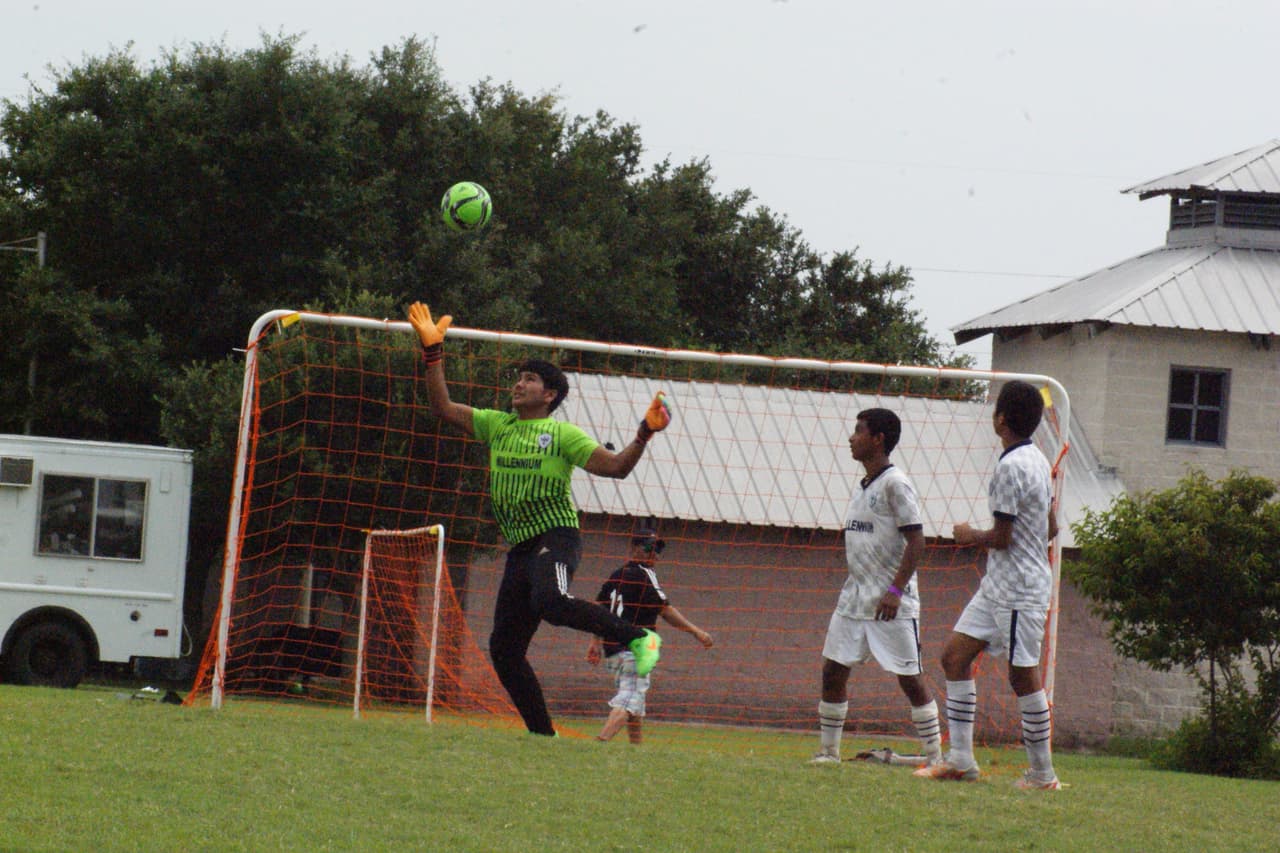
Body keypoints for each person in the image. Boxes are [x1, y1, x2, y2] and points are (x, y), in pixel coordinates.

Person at [407, 302, 671, 736]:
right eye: (519, 377)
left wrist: (643, 432)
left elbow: (617, 467)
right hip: (522, 548)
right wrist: (432, 351)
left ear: (549, 394)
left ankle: (640, 639)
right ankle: (541, 736)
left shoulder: (562, 434)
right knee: (504, 650)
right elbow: (442, 406)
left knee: (551, 602)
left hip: (557, 535)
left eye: (530, 379)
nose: (519, 383)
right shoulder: (497, 425)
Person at [914, 380, 1061, 790]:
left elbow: (1002, 536)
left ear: (1001, 420)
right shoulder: (1038, 460)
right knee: (954, 657)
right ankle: (961, 760)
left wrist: (967, 535)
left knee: (1022, 675)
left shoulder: (1010, 467)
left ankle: (1043, 774)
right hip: (1000, 583)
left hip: (1020, 588)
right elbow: (1050, 526)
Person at [810, 408, 942, 767]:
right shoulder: (863, 486)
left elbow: (917, 542)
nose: (851, 438)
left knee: (910, 677)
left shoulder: (895, 483)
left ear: (878, 439)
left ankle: (935, 758)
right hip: (855, 596)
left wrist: (896, 591)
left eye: (858, 431)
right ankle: (828, 753)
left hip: (891, 602)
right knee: (833, 669)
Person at [586, 524, 714, 744]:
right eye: (649, 548)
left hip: (613, 650)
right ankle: (601, 740)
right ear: (635, 548)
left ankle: (637, 749)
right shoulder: (645, 574)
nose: (654, 554)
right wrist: (696, 631)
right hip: (636, 649)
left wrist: (595, 642)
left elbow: (599, 609)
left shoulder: (617, 575)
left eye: (658, 549)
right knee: (630, 698)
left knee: (635, 701)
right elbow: (664, 610)